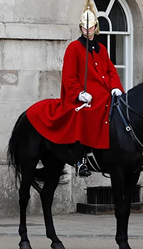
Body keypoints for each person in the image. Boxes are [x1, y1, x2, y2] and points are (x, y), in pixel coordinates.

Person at [26, 0, 124, 177]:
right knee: (84, 113)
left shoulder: (101, 49)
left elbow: (110, 71)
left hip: (104, 95)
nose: (88, 31)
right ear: (81, 28)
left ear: (96, 27)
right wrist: (80, 93)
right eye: (85, 28)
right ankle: (80, 161)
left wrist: (116, 87)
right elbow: (69, 77)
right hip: (82, 98)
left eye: (91, 27)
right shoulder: (73, 48)